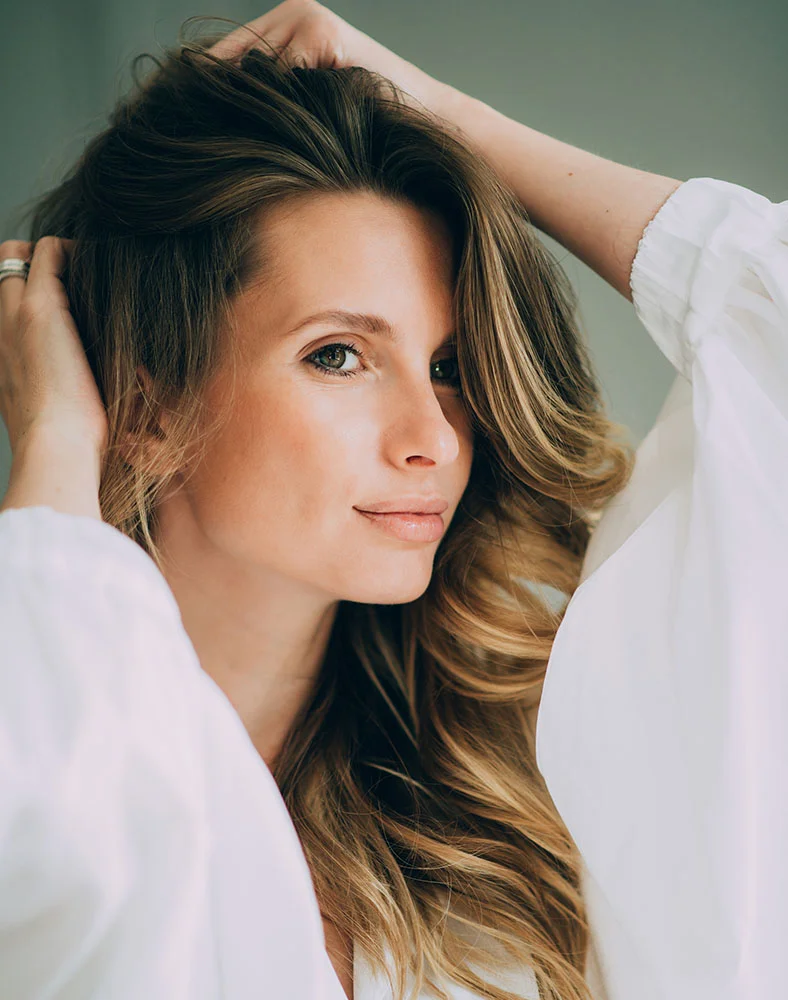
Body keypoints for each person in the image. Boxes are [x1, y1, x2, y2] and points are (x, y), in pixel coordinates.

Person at [0, 2, 785, 999]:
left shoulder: (526, 812)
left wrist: (456, 119)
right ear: (149, 405)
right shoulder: (50, 746)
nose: (435, 437)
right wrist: (58, 449)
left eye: (448, 365)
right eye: (338, 355)